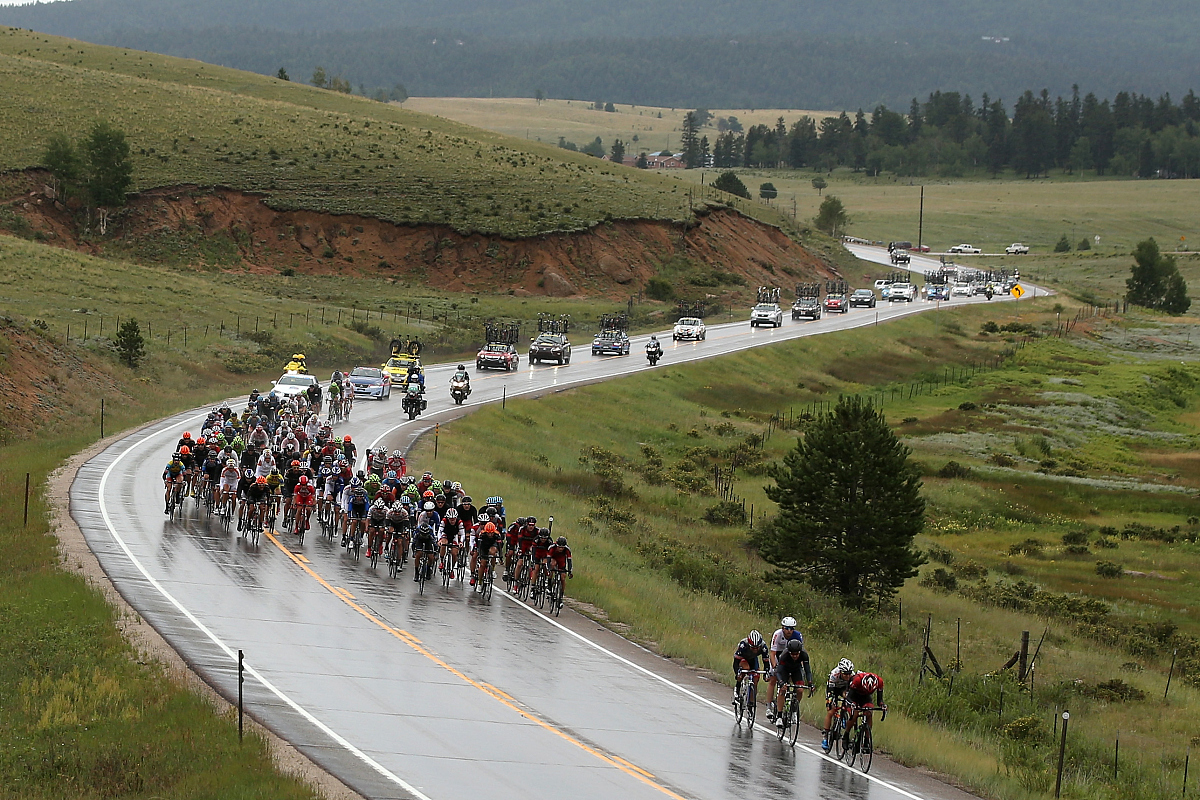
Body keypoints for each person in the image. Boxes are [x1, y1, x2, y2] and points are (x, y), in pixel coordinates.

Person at [766, 617, 805, 722]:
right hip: (778, 657)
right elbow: (773, 653)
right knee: (773, 679)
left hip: (791, 657)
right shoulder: (777, 635)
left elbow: (800, 654)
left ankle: (793, 709)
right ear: (783, 628)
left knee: (796, 684)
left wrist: (800, 669)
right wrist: (774, 667)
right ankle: (769, 706)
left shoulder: (798, 636)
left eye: (791, 629)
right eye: (787, 628)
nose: (789, 631)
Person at [771, 639, 813, 727]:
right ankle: (779, 716)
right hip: (784, 670)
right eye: (792, 654)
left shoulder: (804, 655)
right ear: (789, 652)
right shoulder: (784, 655)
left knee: (800, 690)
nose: (795, 656)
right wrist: (782, 682)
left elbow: (808, 671)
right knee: (782, 690)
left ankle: (794, 710)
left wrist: (810, 683)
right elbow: (778, 672)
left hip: (796, 670)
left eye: (797, 654)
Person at [822, 658, 857, 751]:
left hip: (844, 689)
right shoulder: (834, 674)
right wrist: (830, 701)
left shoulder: (852, 676)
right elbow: (830, 691)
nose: (848, 676)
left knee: (848, 699)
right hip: (833, 689)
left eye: (849, 673)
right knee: (831, 711)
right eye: (845, 674)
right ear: (841, 672)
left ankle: (843, 716)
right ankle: (825, 736)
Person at [732, 630, 770, 707]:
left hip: (753, 659)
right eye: (753, 648)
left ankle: (751, 702)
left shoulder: (763, 647)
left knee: (755, 678)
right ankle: (737, 688)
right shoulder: (743, 645)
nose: (755, 650)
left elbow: (766, 662)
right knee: (746, 668)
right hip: (742, 658)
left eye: (757, 648)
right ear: (749, 645)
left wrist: (766, 673)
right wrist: (737, 674)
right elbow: (736, 662)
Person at [845, 670, 885, 740]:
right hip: (854, 695)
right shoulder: (857, 680)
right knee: (854, 715)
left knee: (869, 713)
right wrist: (852, 704)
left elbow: (880, 700)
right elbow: (849, 697)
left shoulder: (880, 682)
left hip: (866, 697)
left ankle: (867, 739)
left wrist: (882, 705)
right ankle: (846, 734)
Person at [471, 521, 502, 587]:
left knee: (493, 553)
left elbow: (499, 546)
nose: (490, 535)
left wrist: (501, 557)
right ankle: (479, 582)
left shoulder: (497, 534)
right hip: (483, 546)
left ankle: (493, 569)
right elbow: (479, 547)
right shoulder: (482, 534)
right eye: (488, 533)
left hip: (492, 545)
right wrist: (480, 556)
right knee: (482, 564)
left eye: (491, 533)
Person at [546, 536, 573, 600]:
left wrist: (569, 571)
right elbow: (548, 559)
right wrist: (549, 569)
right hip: (554, 558)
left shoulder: (567, 550)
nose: (561, 549)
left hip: (561, 561)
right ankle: (549, 584)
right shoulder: (552, 547)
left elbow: (569, 561)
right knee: (552, 564)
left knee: (563, 577)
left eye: (562, 547)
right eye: (559, 547)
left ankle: (561, 595)